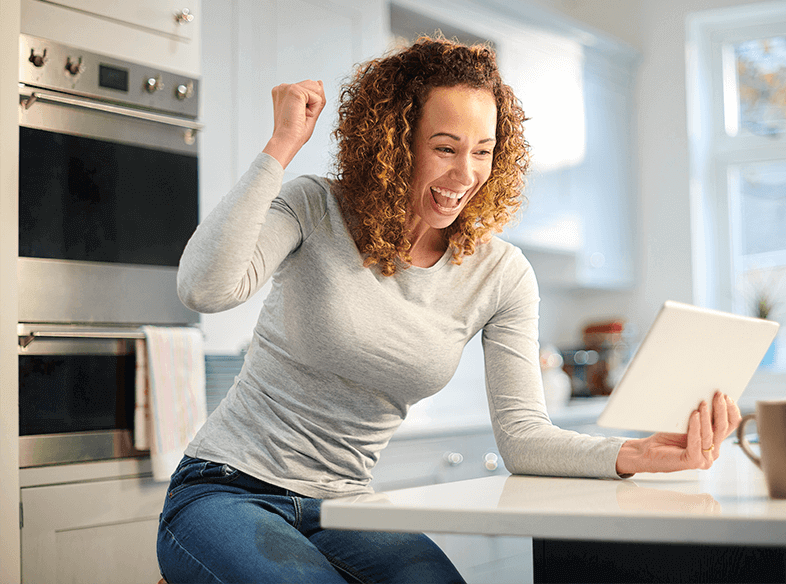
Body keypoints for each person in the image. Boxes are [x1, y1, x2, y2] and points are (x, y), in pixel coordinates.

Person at [156, 37, 742, 584]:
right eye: (445, 148)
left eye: (483, 151)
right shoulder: (316, 206)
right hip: (226, 489)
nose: (465, 175)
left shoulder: (501, 273)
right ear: (395, 141)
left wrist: (637, 453)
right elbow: (205, 288)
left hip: (346, 506)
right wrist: (281, 146)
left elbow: (524, 437)